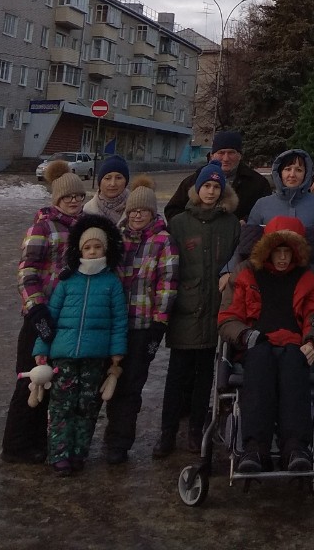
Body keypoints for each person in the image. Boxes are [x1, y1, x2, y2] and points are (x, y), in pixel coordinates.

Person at [218, 215, 314, 473]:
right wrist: (245, 335)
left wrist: (312, 340)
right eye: (277, 251)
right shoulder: (246, 272)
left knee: (293, 365)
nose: (282, 258)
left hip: (295, 343)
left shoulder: (308, 275)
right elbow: (228, 317)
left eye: (287, 252)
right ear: (266, 249)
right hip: (255, 342)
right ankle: (255, 448)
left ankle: (295, 447)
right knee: (259, 363)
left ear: (297, 251)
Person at [1, 159, 87, 463]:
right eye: (68, 197)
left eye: (79, 196)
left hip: (67, 318)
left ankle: (38, 440)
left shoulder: (84, 227)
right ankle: (15, 446)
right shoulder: (43, 225)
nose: (74, 201)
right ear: (57, 200)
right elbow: (27, 271)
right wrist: (36, 310)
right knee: (29, 378)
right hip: (40, 317)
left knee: (50, 380)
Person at [154, 164, 240, 459]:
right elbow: (168, 265)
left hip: (215, 310)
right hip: (185, 310)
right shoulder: (179, 223)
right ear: (197, 189)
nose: (211, 192)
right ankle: (166, 434)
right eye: (207, 186)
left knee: (206, 376)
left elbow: (236, 257)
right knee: (176, 375)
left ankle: (195, 432)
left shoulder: (230, 224)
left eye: (217, 187)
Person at [31, 215, 128, 475]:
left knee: (87, 406)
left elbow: (119, 320)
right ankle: (59, 454)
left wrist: (117, 353)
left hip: (94, 357)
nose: (93, 251)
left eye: (97, 246)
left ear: (105, 249)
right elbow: (50, 318)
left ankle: (78, 453)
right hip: (63, 354)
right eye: (88, 247)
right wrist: (42, 349)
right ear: (80, 250)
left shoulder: (111, 283)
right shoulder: (67, 281)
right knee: (61, 406)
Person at [103, 175, 178, 464]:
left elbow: (168, 283)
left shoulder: (163, 241)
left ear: (152, 212)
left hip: (141, 326)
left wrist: (159, 323)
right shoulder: (115, 237)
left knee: (130, 386)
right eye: (133, 210)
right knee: (103, 380)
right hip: (111, 324)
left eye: (143, 211)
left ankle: (118, 443)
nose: (137, 215)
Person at [246, 148, 314, 292]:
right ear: (280, 172)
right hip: (268, 279)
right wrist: (230, 271)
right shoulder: (262, 204)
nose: (292, 174)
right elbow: (248, 243)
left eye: (299, 170)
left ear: (306, 174)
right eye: (288, 169)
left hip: (308, 277)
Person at [164, 130, 271, 223]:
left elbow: (266, 212)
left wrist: (246, 222)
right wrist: (193, 226)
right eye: (221, 152)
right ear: (212, 156)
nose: (226, 158)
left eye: (231, 153)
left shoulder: (258, 183)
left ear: (240, 156)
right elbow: (172, 211)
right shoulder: (195, 180)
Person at [83, 154, 130, 223]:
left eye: (118, 178)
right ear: (100, 182)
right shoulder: (88, 210)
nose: (113, 184)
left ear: (126, 181)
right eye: (107, 178)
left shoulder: (137, 209)